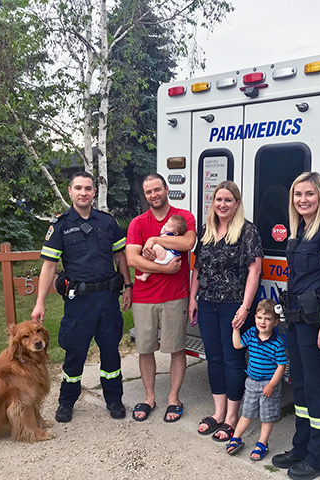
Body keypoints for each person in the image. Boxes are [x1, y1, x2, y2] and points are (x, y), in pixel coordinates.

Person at [31, 171, 133, 423]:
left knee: (110, 351)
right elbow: (49, 266)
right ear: (70, 192)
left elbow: (120, 257)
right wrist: (40, 302)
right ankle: (66, 401)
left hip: (108, 299)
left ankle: (113, 399)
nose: (83, 192)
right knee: (75, 353)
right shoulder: (61, 225)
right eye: (78, 188)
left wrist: (128, 285)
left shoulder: (107, 222)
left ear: (94, 192)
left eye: (88, 188)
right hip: (79, 303)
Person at [271, 172, 320, 480]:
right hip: (297, 320)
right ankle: (301, 448)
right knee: (301, 388)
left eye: (309, 194)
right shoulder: (300, 229)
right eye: (298, 194)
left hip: (318, 321)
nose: (303, 200)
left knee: (317, 390)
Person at [189, 180, 263, 442]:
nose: (222, 204)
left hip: (234, 304)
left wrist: (245, 307)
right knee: (214, 357)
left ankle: (232, 416)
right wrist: (192, 299)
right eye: (218, 200)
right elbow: (197, 268)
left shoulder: (247, 231)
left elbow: (255, 271)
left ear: (237, 204)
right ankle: (218, 412)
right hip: (208, 302)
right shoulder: (207, 230)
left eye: (228, 200)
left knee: (232, 358)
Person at [126, 174, 196, 422]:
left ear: (166, 189)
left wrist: (155, 239)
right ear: (144, 195)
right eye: (148, 192)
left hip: (175, 297)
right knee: (146, 349)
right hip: (144, 297)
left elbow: (188, 242)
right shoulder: (137, 223)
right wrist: (165, 269)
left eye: (157, 189)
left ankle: (173, 399)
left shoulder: (183, 217)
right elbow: (132, 259)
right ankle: (149, 398)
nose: (153, 195)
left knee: (177, 349)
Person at [226, 299, 287, 461]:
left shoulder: (277, 343)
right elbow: (237, 345)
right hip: (251, 382)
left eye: (267, 319)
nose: (263, 322)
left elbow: (281, 366)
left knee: (267, 416)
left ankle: (262, 443)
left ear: (275, 322)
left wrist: (272, 385)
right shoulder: (252, 334)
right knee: (246, 412)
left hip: (268, 385)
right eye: (260, 317)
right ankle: (236, 437)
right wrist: (235, 329)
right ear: (255, 318)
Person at [135, 215, 187, 282]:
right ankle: (145, 275)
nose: (165, 225)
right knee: (155, 248)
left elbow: (162, 239)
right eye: (166, 223)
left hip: (168, 255)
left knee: (156, 247)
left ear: (175, 233)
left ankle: (149, 261)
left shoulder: (170, 236)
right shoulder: (172, 235)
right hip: (167, 255)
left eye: (168, 226)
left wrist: (162, 232)